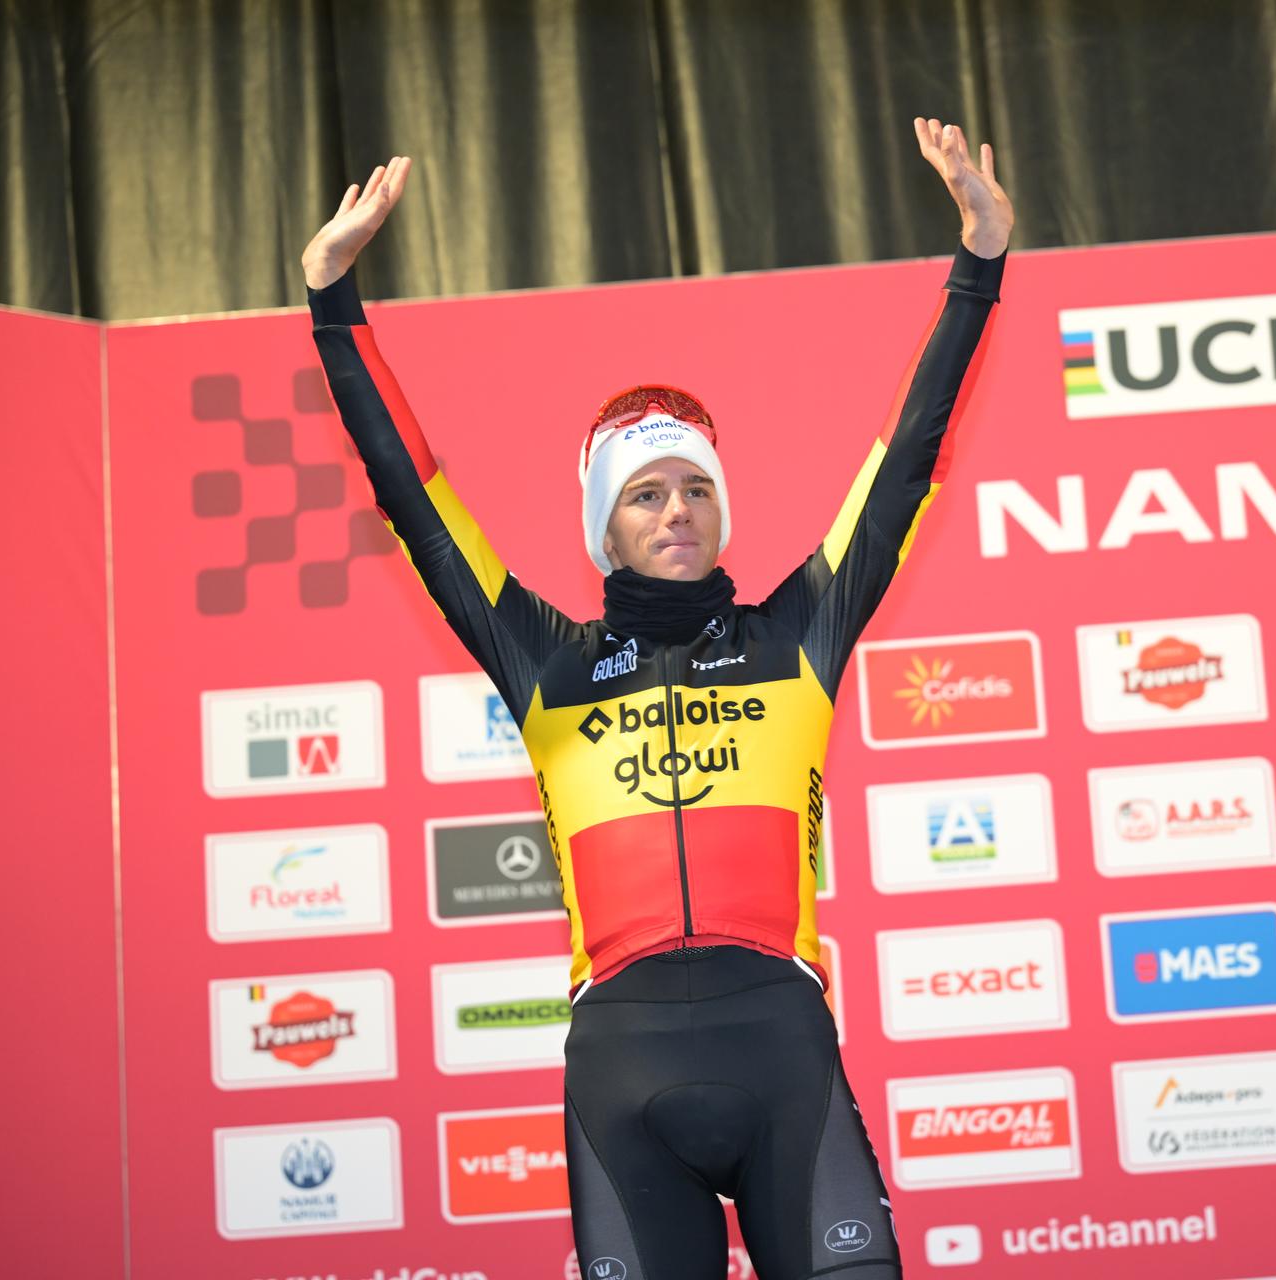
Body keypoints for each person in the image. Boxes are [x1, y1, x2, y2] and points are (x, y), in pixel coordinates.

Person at [302, 120, 1011, 1279]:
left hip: (783, 1048)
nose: (676, 508)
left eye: (695, 486)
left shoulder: (800, 633)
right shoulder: (545, 660)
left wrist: (978, 264)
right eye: (644, 492)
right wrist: (334, 301)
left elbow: (908, 459)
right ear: (604, 526)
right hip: (621, 1065)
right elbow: (414, 499)